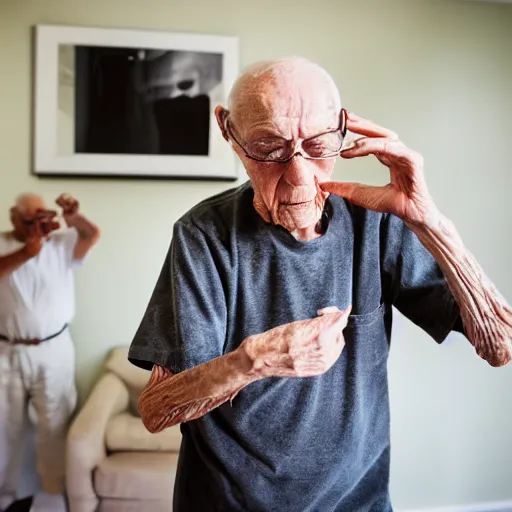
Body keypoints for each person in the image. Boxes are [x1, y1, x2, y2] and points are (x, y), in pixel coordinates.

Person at [128, 57, 512, 512]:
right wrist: (251, 361)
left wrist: (430, 223)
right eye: (269, 147)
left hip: (358, 503)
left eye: (318, 145)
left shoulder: (378, 223)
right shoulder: (204, 235)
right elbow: (155, 411)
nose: (300, 176)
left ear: (343, 128)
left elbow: (500, 345)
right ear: (229, 133)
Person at [0, 193, 100, 512]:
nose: (35, 227)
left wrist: (73, 215)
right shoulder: (4, 244)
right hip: (8, 349)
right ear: (13, 218)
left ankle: (53, 493)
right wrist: (26, 253)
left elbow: (91, 234)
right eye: (27, 221)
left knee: (54, 421)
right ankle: (6, 493)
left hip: (54, 348)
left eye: (39, 218)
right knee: (6, 425)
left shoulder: (60, 243)